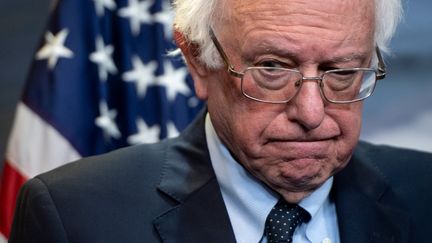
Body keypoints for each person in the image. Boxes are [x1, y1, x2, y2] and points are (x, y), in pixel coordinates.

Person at [9, 0, 432, 242]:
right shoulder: (74, 217)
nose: (311, 112)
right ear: (197, 60)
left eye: (341, 72)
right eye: (272, 67)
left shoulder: (425, 193)